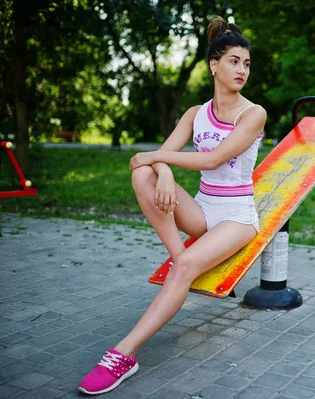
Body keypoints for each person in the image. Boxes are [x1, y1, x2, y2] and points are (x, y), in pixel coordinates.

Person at [78, 16, 266, 395]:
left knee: (150, 170)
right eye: (233, 61)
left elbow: (212, 160)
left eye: (246, 63)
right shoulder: (196, 113)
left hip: (236, 216)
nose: (241, 69)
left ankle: (123, 354)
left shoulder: (253, 113)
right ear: (214, 65)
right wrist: (162, 171)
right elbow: (158, 159)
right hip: (201, 210)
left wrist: (157, 158)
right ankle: (180, 255)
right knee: (143, 175)